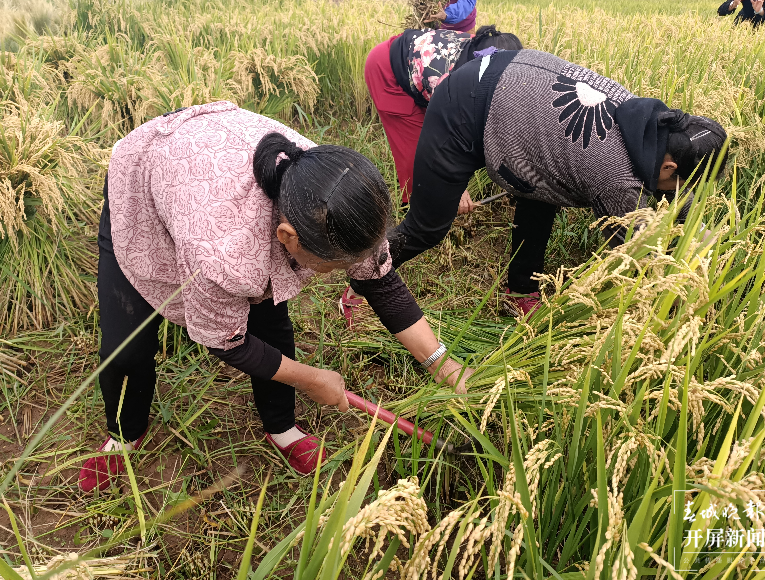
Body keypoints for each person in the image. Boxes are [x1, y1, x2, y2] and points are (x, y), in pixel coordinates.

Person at [80, 101, 471, 492]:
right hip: (145, 184)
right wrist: (311, 379)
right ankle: (124, 433)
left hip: (215, 153)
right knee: (125, 348)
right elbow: (226, 342)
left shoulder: (329, 187)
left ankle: (281, 426)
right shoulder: (225, 254)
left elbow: (380, 281)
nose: (343, 272)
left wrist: (440, 362)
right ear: (287, 237)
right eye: (334, 266)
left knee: (270, 323)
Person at [385, 49, 728, 317]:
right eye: (683, 185)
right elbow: (645, 261)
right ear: (669, 166)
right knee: (427, 227)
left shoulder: (649, 122)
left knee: (545, 190)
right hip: (464, 105)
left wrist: (691, 228)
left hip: (513, 86)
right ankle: (365, 278)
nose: (682, 195)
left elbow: (679, 199)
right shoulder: (617, 179)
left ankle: (520, 291)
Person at [339, 26, 522, 325]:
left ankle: (420, 213)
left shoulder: (488, 65)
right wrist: (452, 189)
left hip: (416, 70)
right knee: (417, 165)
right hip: (387, 74)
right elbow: (441, 148)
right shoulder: (453, 83)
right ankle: (362, 279)